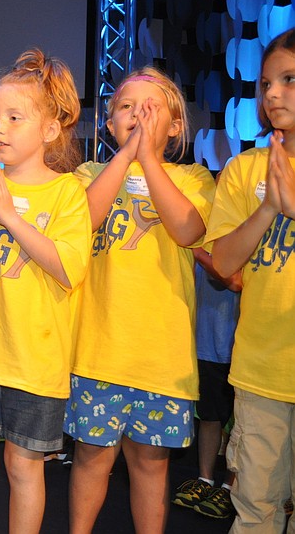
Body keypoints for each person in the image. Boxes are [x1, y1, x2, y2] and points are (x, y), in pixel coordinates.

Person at [0, 50, 90, 534]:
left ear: (50, 129)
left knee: (24, 468)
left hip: (36, 361)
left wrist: (11, 219)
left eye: (13, 117)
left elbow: (68, 267)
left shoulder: (68, 192)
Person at [64, 67, 215, 534]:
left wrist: (147, 160)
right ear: (109, 124)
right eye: (127, 108)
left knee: (151, 466)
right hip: (97, 352)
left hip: (160, 359)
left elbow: (189, 230)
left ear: (174, 126)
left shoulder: (191, 177)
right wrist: (127, 155)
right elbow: (82, 220)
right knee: (92, 461)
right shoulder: (90, 173)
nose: (138, 115)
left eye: (151, 109)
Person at [204, 28, 295, 533]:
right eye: (266, 83)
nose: (273, 94)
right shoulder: (245, 169)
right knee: (256, 509)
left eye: (289, 79)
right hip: (262, 373)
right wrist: (267, 208)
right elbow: (222, 263)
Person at [171, 231, 241, 520]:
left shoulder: (246, 231)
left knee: (240, 423)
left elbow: (234, 280)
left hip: (240, 347)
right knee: (210, 416)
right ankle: (205, 479)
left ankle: (231, 485)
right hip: (205, 342)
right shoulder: (204, 229)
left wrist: (198, 251)